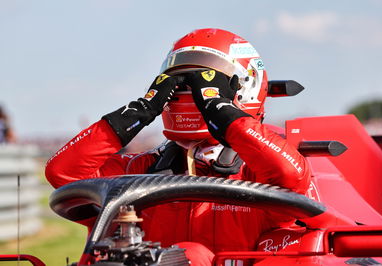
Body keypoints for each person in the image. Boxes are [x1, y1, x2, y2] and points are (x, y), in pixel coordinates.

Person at [45, 28, 311, 265]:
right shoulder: (138, 170)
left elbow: (291, 176)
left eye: (202, 82)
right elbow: (64, 173)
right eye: (179, 81)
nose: (188, 90)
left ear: (244, 87)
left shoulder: (260, 173)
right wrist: (137, 113)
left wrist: (224, 114)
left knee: (191, 254)